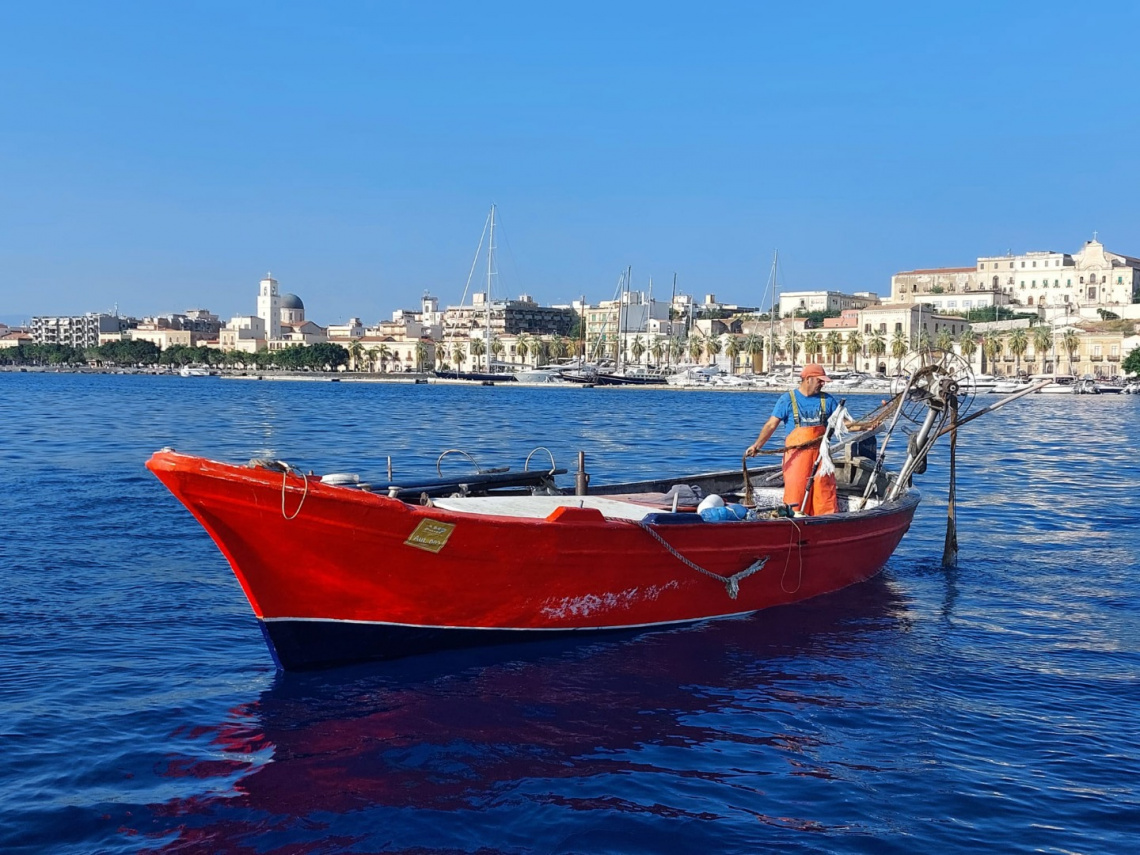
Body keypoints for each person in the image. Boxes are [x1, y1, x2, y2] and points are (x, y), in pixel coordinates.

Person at [744, 363, 853, 516]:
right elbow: (771, 425)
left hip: (821, 457)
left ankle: (825, 521)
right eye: (820, 380)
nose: (823, 384)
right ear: (808, 379)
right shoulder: (787, 400)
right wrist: (757, 445)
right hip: (796, 459)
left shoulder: (827, 400)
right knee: (796, 496)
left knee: (824, 494)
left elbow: (846, 424)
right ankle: (794, 522)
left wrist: (869, 425)